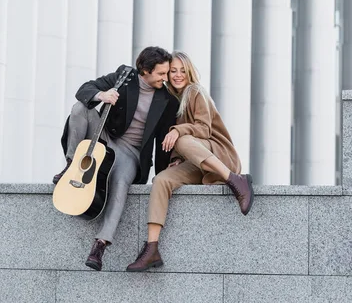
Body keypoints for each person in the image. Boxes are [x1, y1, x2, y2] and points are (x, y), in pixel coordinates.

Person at [52, 46, 179, 271]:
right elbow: (86, 88)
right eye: (161, 73)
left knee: (120, 185)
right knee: (79, 108)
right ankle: (72, 165)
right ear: (145, 70)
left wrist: (165, 173)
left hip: (131, 153)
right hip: (104, 136)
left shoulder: (167, 100)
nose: (165, 77)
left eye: (166, 73)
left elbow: (162, 145)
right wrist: (101, 95)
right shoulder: (124, 76)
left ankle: (100, 245)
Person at [126, 51, 254, 272]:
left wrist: (177, 131)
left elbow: (203, 130)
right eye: (172, 71)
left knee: (183, 140)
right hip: (198, 162)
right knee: (162, 180)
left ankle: (236, 181)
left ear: (189, 71)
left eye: (182, 70)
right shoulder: (169, 100)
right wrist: (175, 159)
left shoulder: (196, 92)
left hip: (220, 156)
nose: (177, 75)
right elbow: (179, 145)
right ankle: (152, 248)